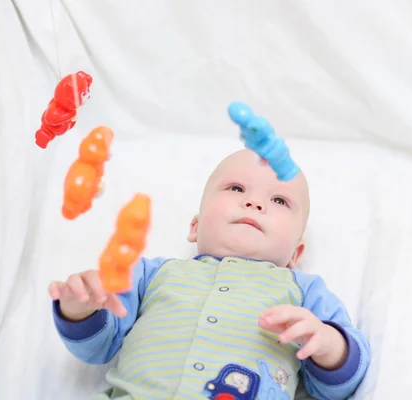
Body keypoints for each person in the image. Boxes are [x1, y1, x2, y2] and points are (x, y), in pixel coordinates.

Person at [49, 149, 371, 400]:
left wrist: (329, 345)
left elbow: (342, 381)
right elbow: (97, 346)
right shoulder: (153, 274)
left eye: (279, 200)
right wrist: (80, 309)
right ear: (195, 226)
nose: (254, 202)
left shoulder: (302, 290)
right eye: (236, 187)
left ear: (296, 255)